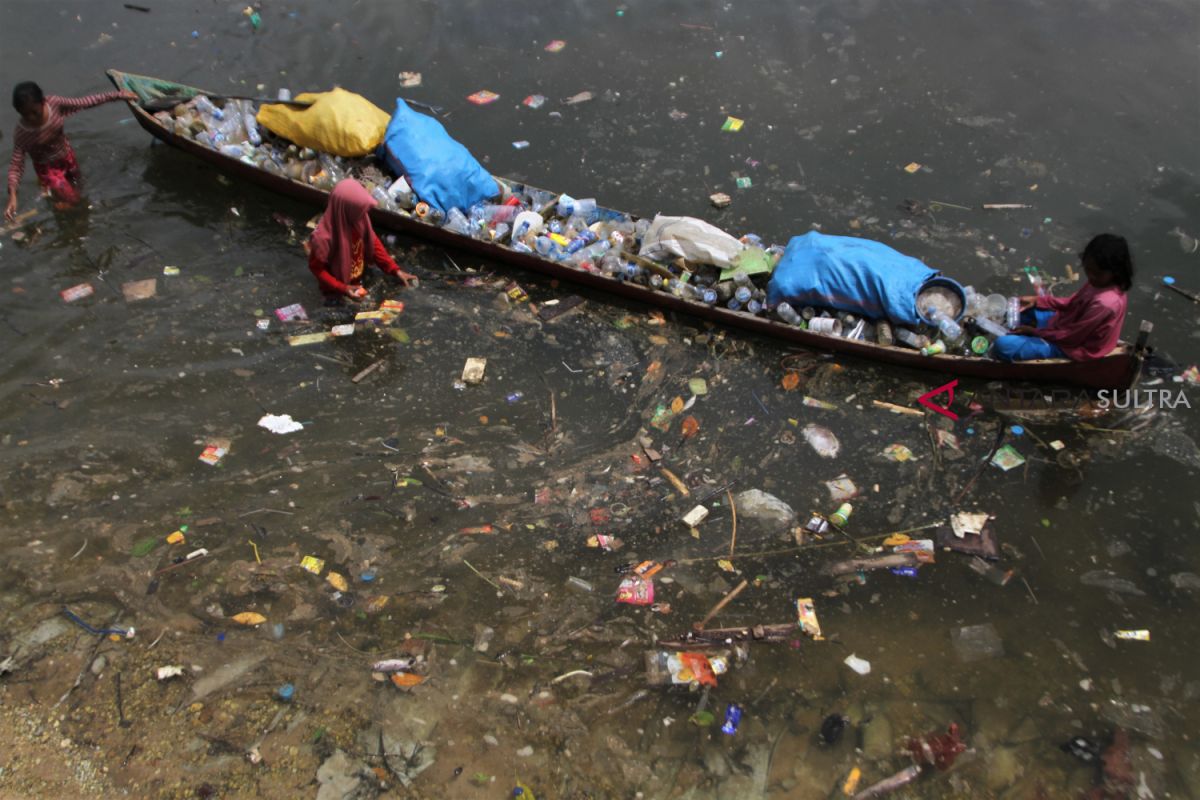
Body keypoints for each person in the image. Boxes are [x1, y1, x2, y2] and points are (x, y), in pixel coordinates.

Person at [6, 82, 137, 220]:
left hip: (67, 156)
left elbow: (84, 102)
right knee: (74, 200)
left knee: (80, 188)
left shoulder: (54, 104)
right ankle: (59, 202)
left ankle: (56, 198)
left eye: (35, 113)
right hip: (48, 169)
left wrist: (118, 95)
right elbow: (16, 165)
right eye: (26, 115)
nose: (32, 118)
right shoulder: (22, 133)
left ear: (43, 102)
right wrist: (13, 196)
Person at [992, 234, 1132, 362]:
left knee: (1002, 346)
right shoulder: (1100, 282)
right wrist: (1037, 300)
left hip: (1074, 347)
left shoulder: (1106, 303)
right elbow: (1072, 303)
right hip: (1064, 324)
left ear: (1115, 271)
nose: (1091, 277)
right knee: (1018, 311)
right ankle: (1029, 334)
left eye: (1097, 273)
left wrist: (1034, 332)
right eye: (1088, 270)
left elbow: (1072, 337)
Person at [308, 179, 417, 299]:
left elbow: (373, 242)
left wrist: (395, 270)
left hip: (358, 277)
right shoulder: (323, 238)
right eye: (359, 210)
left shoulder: (359, 219)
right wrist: (342, 288)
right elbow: (317, 269)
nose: (363, 214)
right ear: (346, 211)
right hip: (337, 288)